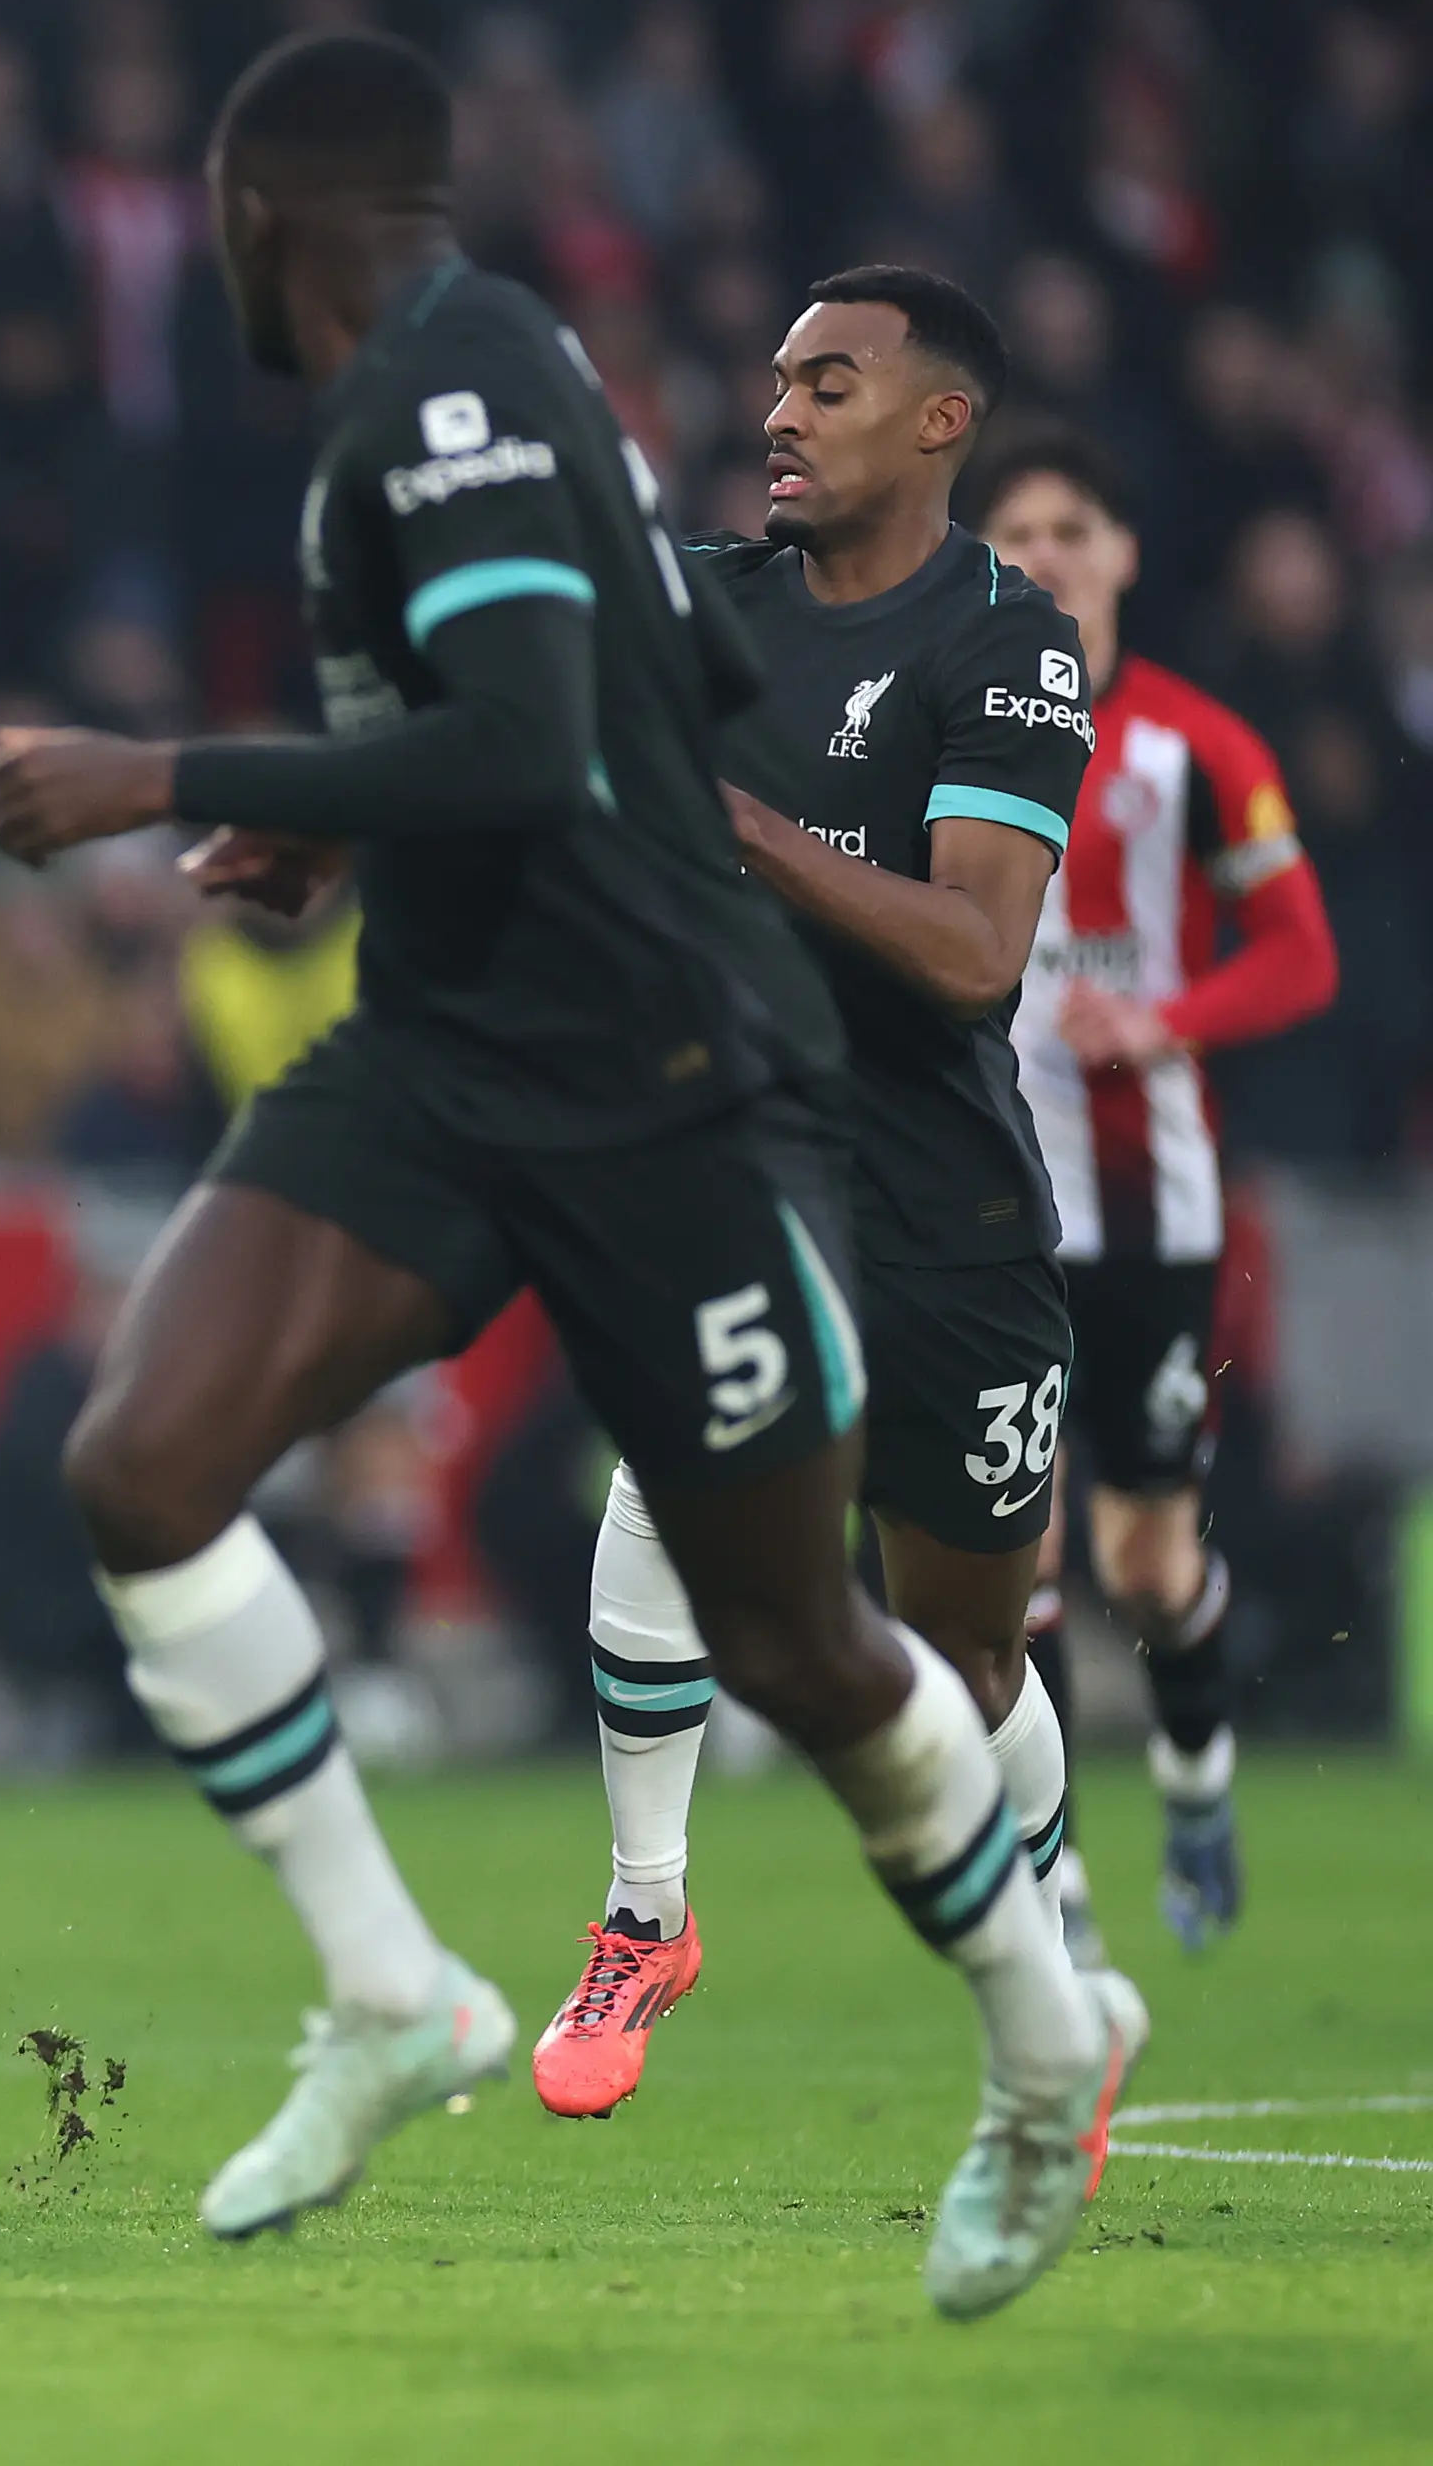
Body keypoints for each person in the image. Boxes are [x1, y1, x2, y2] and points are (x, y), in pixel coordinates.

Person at [0, 34, 1115, 2317]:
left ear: (261, 213)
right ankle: (399, 1988)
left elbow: (532, 740)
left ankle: (1036, 2035)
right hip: (449, 1048)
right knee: (138, 1459)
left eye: (825, 382)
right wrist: (333, 827)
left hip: (682, 1083)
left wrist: (165, 774)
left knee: (820, 1642)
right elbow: (646, 669)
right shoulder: (494, 401)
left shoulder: (463, 382)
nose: (778, 413)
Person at [525, 269, 1144, 2123]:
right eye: (781, 380)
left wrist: (738, 825)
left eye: (831, 383)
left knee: (961, 1664)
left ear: (941, 421)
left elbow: (972, 956)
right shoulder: (703, 602)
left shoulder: (1009, 642)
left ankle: (1053, 1980)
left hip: (943, 1211)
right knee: (669, 1478)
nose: (781, 412)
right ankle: (644, 1914)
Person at [980, 425, 1339, 1956]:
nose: (1047, 554)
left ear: (1124, 553)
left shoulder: (1201, 747)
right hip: (994, 1208)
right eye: (1018, 531)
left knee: (1146, 1561)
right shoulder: (943, 726)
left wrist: (1162, 1019)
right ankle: (1054, 1888)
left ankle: (1195, 1777)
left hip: (1154, 1216)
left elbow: (1303, 956)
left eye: (1074, 527)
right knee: (1018, 1554)